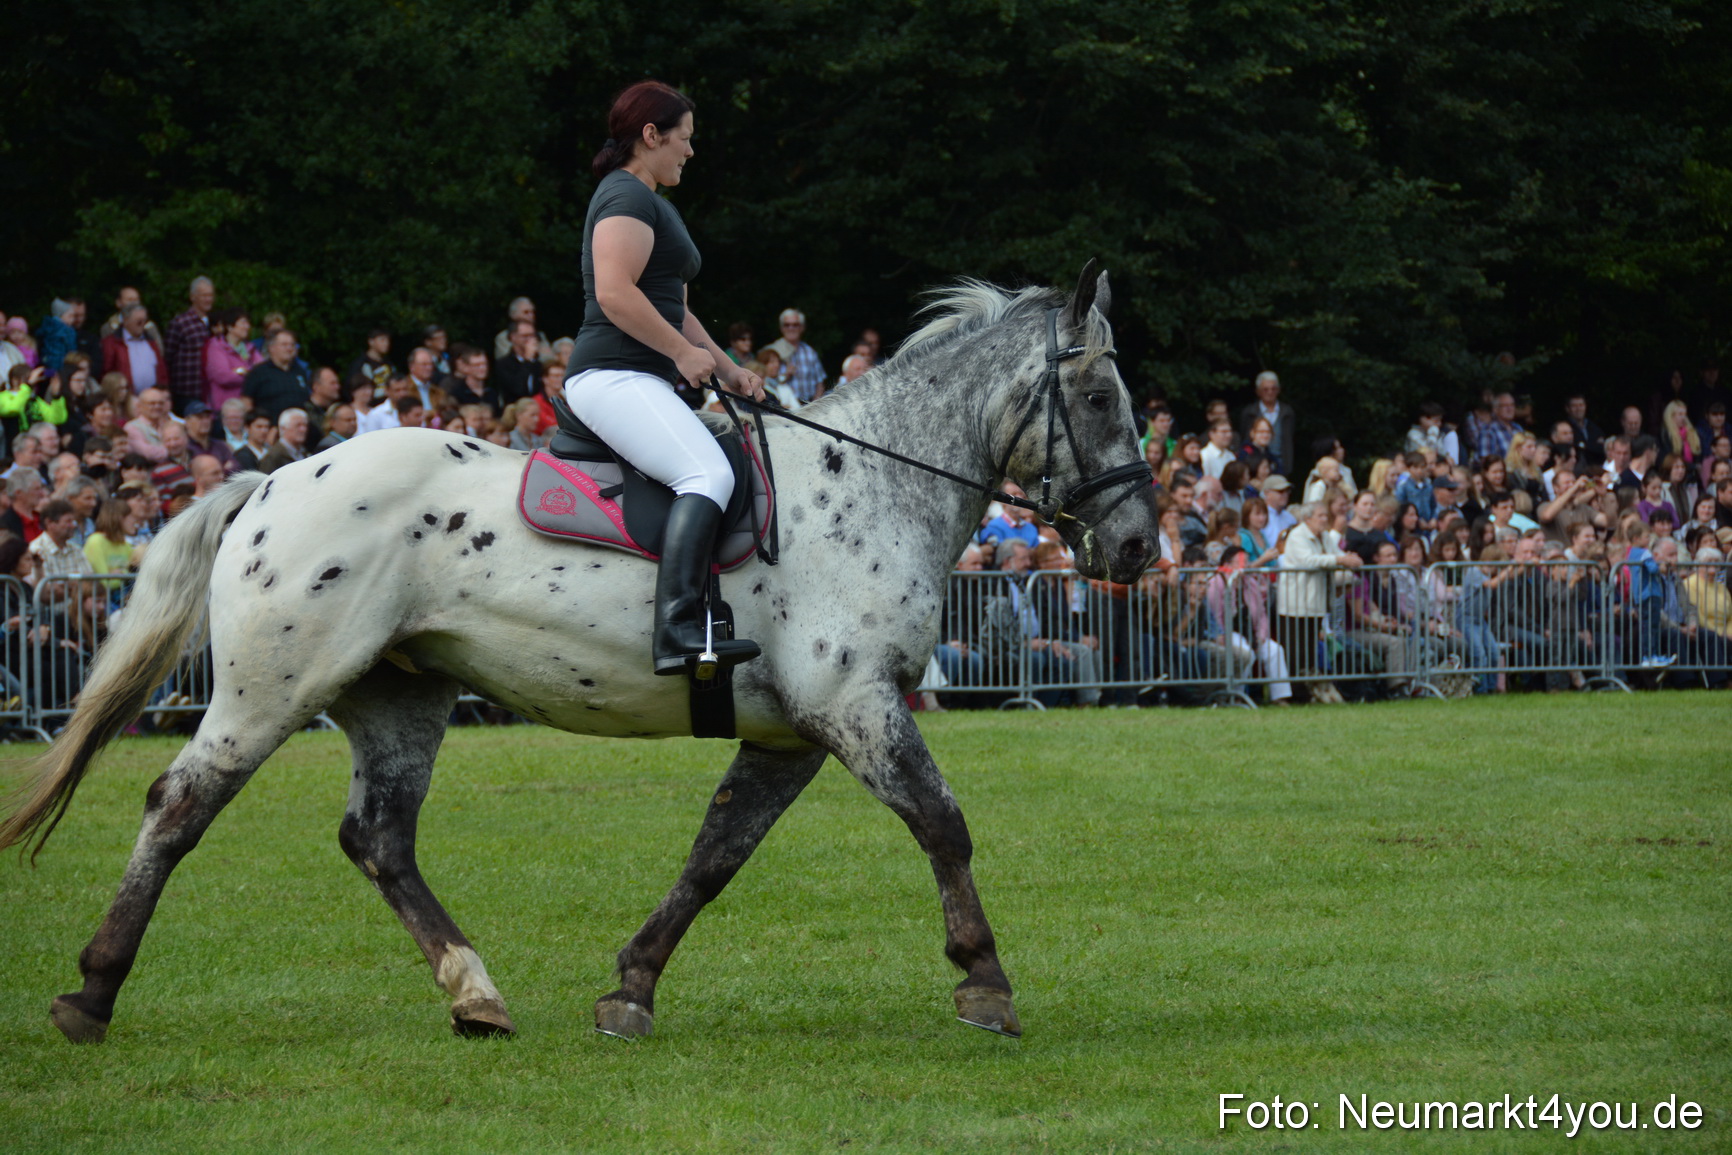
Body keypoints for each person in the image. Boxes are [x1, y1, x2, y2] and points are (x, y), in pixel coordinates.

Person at [565, 81, 766, 675]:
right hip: (612, 374)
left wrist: (726, 367)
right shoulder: (625, 195)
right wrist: (681, 354)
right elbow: (614, 292)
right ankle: (678, 631)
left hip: (640, 377)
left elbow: (675, 307)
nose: (690, 151)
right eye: (684, 139)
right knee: (705, 471)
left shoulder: (653, 200)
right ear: (650, 136)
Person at [163, 276, 216, 410]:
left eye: (210, 295)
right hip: (186, 392)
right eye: (204, 295)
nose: (208, 299)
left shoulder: (215, 323)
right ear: (193, 297)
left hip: (210, 392)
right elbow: (167, 357)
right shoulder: (180, 323)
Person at [241, 329, 311, 422]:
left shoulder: (300, 372)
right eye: (284, 345)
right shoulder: (258, 372)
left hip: (298, 429)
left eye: (292, 345)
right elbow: (246, 402)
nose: (289, 349)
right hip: (268, 431)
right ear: (272, 348)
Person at [203, 306, 262, 412]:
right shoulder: (216, 347)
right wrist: (251, 373)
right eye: (243, 323)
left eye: (248, 323)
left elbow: (262, 371)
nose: (247, 326)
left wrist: (240, 371)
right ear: (230, 327)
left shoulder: (250, 348)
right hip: (224, 409)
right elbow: (224, 377)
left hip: (247, 408)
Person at [1238, 371, 1295, 477]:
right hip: (1254, 463)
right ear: (1258, 391)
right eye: (1265, 389)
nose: (1270, 392)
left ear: (1278, 390)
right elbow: (1244, 436)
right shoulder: (1249, 412)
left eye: (1273, 389)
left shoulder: (1287, 412)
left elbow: (1290, 437)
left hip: (1280, 463)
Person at [768, 309, 826, 404]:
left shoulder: (810, 352)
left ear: (802, 328)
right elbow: (763, 381)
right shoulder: (771, 351)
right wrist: (785, 375)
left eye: (795, 325)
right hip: (780, 407)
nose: (791, 328)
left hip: (808, 406)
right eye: (787, 325)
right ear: (781, 328)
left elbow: (820, 384)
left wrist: (815, 405)